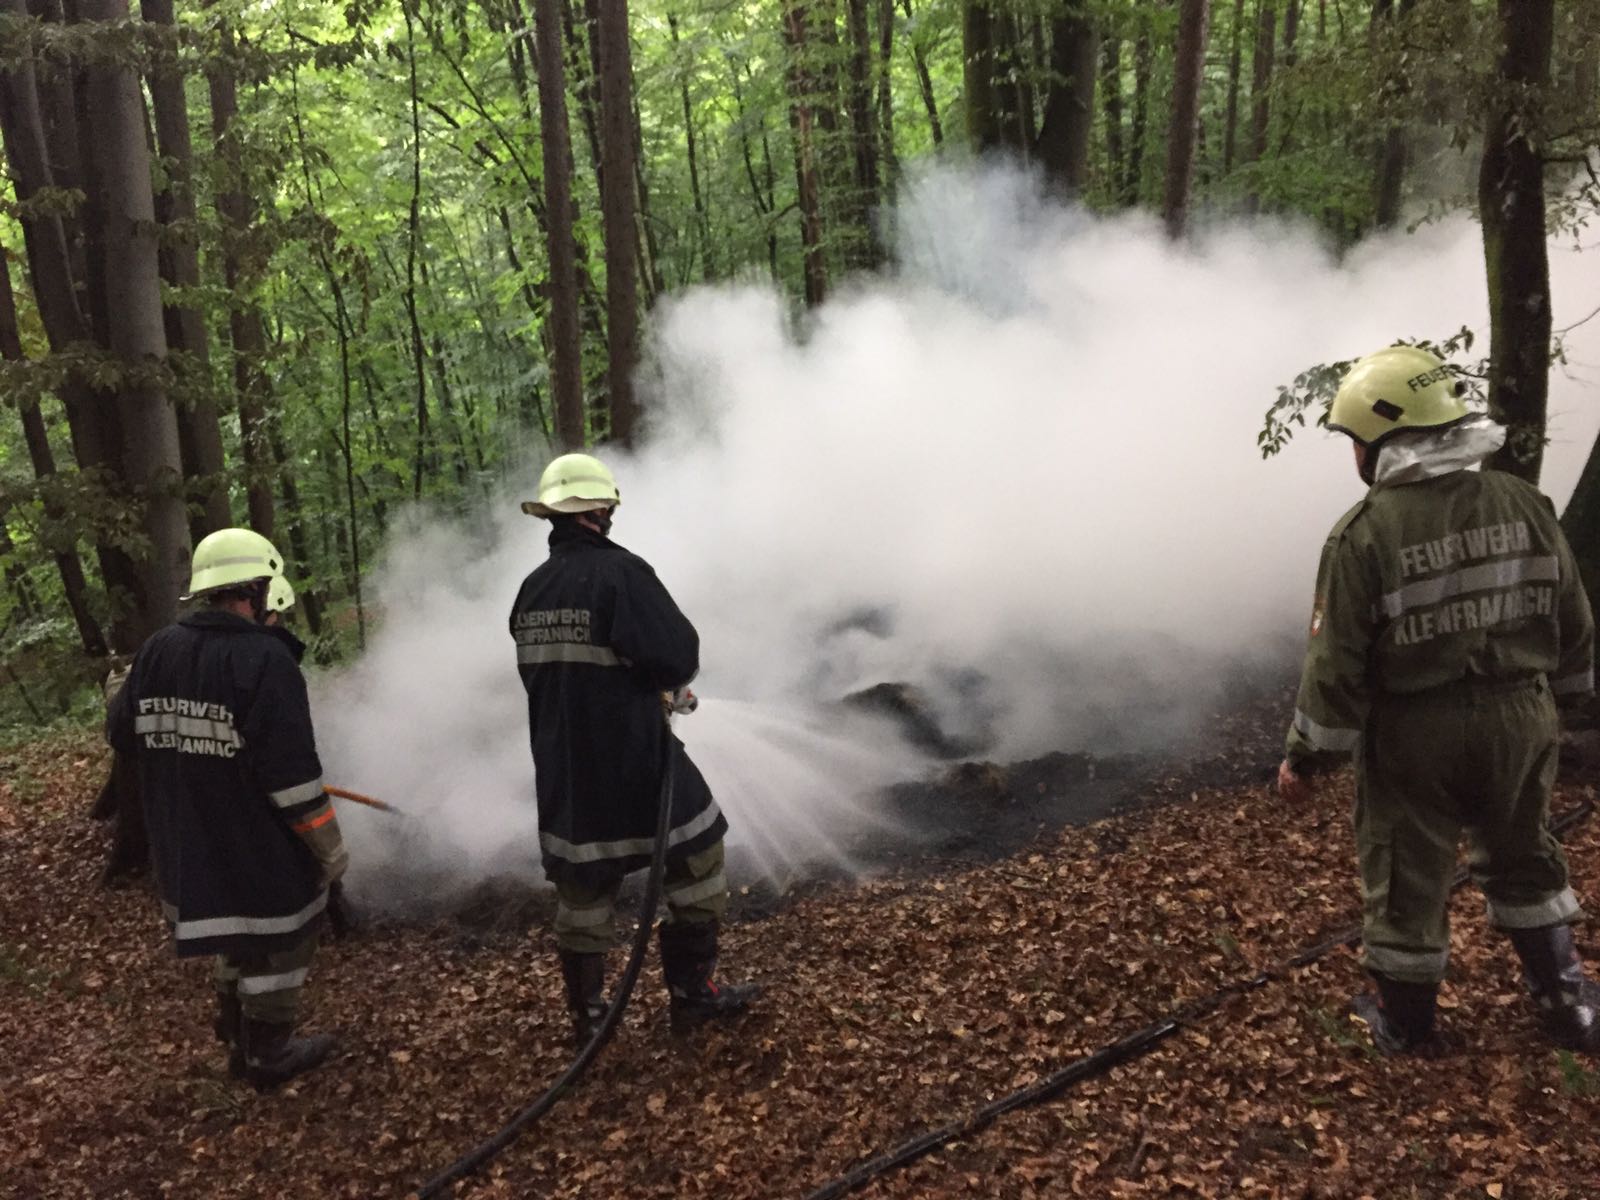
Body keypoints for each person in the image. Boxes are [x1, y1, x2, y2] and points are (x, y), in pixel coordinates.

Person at [1278, 345, 1598, 1056]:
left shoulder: (1363, 534)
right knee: (1524, 852)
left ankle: (1407, 1025)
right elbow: (1573, 616)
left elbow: (1335, 666)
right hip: (1521, 718)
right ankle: (1569, 1004)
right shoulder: (1522, 502)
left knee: (1405, 873)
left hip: (1416, 733)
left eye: (1356, 440)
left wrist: (1306, 758)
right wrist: (1572, 703)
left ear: (1382, 442)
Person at [510, 452, 759, 1045]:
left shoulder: (531, 590)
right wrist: (664, 686)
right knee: (698, 853)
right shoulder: (622, 574)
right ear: (599, 512)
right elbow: (676, 656)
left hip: (565, 769)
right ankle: (694, 996)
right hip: (636, 759)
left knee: (583, 888)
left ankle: (589, 1019)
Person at [107, 528, 349, 1088]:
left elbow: (122, 733)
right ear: (255, 590)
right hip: (252, 841)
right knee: (283, 938)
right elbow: (292, 778)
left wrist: (120, 690)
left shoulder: (158, 649)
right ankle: (269, 1054)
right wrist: (330, 850)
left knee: (234, 930)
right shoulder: (266, 660)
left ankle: (237, 1035)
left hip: (186, 841)